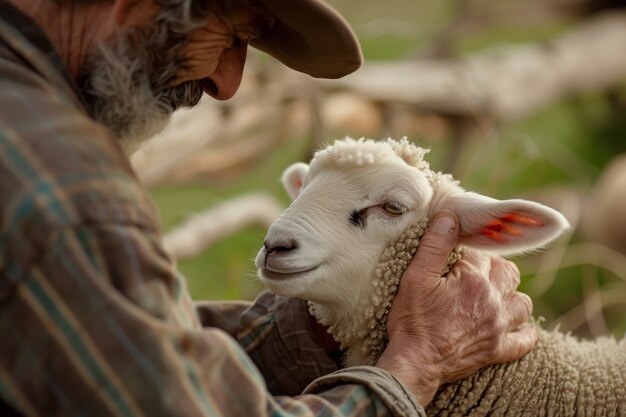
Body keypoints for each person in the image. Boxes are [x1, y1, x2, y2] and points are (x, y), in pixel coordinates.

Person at [0, 0, 537, 416]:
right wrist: (411, 370)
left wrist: (333, 328)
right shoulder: (65, 190)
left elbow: (116, 355)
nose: (228, 83)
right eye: (232, 33)